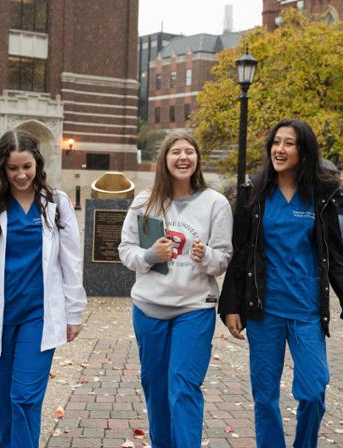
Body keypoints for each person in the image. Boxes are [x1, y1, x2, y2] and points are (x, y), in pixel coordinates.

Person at [219, 119, 343, 448]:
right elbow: (240, 252)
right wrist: (230, 304)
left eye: (289, 143)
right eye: (276, 142)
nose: (280, 149)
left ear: (303, 151)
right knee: (264, 396)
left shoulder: (320, 196)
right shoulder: (254, 192)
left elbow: (335, 258)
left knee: (314, 391)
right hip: (264, 311)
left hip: (306, 311)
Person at [0, 129, 86, 448]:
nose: (20, 174)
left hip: (39, 318)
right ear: (2, 168)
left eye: (26, 166)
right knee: (5, 401)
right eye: (13, 168)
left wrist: (74, 312)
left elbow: (71, 262)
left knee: (24, 398)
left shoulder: (56, 205)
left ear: (38, 164)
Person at [119, 130, 233, 447]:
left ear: (197, 159)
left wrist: (206, 255)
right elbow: (125, 250)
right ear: (164, 159)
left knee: (183, 385)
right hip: (149, 308)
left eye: (189, 151)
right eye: (175, 152)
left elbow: (224, 257)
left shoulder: (216, 204)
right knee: (155, 387)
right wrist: (149, 256)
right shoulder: (145, 202)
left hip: (194, 309)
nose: (183, 157)